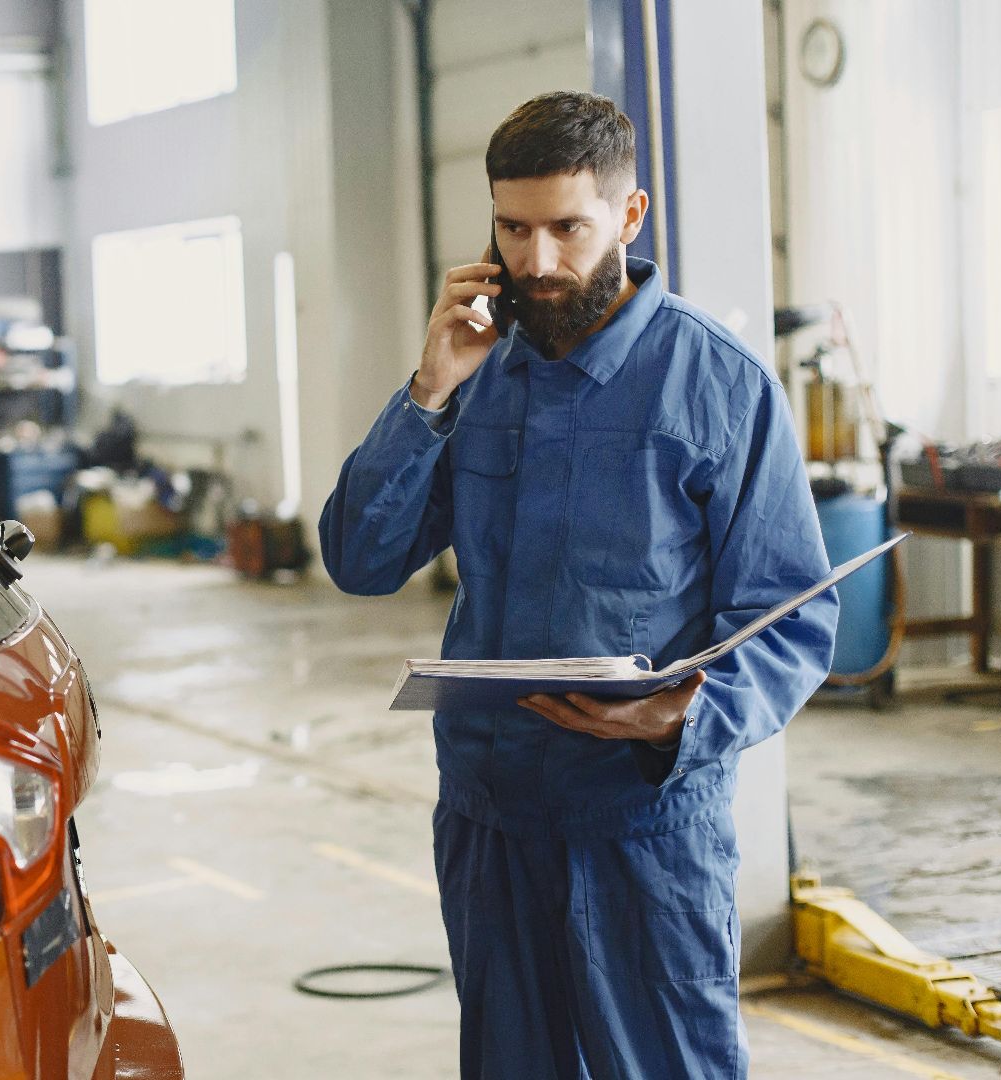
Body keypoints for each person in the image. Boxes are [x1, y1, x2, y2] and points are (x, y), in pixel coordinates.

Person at [318, 91, 836, 1079]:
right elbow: (360, 559)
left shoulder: (718, 387)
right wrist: (429, 389)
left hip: (640, 828)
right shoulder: (477, 371)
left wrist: (683, 714)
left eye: (567, 227)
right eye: (514, 230)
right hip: (489, 815)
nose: (539, 262)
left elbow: (791, 616)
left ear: (629, 218)